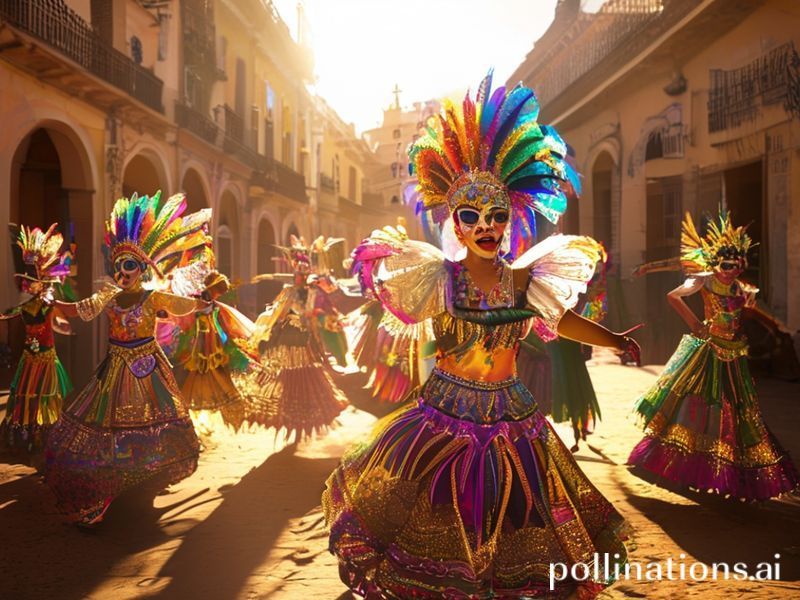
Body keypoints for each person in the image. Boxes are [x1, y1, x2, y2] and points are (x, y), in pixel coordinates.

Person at [323, 72, 639, 597]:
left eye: (496, 215)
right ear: (457, 224)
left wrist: (614, 339)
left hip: (512, 414)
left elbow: (560, 320)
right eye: (472, 216)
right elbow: (412, 330)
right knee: (441, 509)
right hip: (445, 415)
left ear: (509, 220)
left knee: (515, 511)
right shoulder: (438, 278)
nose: (487, 226)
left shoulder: (525, 280)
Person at [45, 192, 210, 525]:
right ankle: (110, 491)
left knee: (149, 429)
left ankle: (141, 481)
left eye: (130, 264)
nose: (123, 271)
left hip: (148, 371)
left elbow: (182, 306)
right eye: (118, 264)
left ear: (142, 269)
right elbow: (81, 310)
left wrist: (204, 304)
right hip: (115, 370)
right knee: (109, 429)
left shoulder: (153, 298)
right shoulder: (109, 297)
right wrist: (53, 304)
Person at [628, 210, 799, 500]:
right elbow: (674, 296)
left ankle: (729, 470)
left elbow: (753, 309)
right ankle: (684, 466)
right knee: (699, 407)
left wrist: (776, 326)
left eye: (737, 264)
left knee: (736, 411)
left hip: (734, 356)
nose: (731, 270)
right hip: (708, 354)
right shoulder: (704, 280)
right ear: (716, 262)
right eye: (726, 264)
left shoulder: (742, 288)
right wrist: (696, 324)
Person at [240, 236, 348, 440]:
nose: (301, 277)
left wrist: (321, 319)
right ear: (295, 274)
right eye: (299, 274)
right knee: (285, 377)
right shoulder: (289, 292)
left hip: (304, 340)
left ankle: (307, 412)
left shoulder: (313, 292)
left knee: (307, 376)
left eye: (304, 274)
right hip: (287, 341)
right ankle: (288, 413)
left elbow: (318, 313)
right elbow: (278, 313)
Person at [0, 224, 72, 452]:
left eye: (29, 281)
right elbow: (6, 316)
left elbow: (60, 323)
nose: (26, 285)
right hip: (29, 358)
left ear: (40, 282)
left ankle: (45, 436)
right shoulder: (23, 307)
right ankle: (25, 435)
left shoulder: (48, 304)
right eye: (24, 281)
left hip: (45, 357)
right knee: (25, 395)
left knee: (45, 395)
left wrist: (63, 326)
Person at [158, 268, 254, 431]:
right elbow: (185, 315)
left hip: (210, 343)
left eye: (218, 294)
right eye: (216, 292)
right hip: (196, 343)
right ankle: (178, 416)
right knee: (187, 375)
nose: (216, 296)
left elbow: (220, 322)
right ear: (211, 288)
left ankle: (227, 415)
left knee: (216, 375)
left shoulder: (212, 303)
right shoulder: (197, 300)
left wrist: (227, 338)